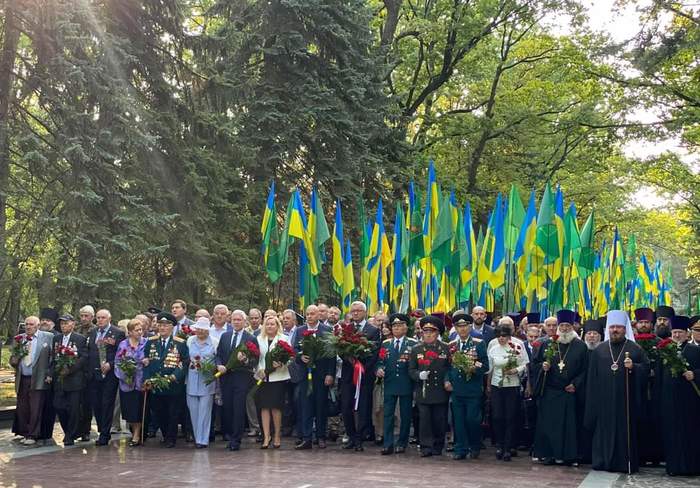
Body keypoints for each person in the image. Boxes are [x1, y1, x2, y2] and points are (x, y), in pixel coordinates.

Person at [584, 310, 649, 473]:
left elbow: (647, 369)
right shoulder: (599, 350)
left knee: (624, 432)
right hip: (603, 401)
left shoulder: (635, 349)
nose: (615, 330)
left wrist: (634, 367)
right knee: (603, 431)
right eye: (612, 327)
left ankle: (624, 462)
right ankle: (603, 461)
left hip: (626, 401)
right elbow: (592, 378)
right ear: (608, 329)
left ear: (625, 328)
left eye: (618, 327)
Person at [531, 310, 588, 465]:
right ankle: (549, 455)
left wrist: (575, 384)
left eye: (567, 325)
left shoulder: (580, 346)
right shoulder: (548, 343)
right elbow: (534, 364)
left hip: (568, 391)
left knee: (569, 427)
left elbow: (585, 370)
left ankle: (568, 456)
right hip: (550, 391)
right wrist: (542, 367)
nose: (563, 328)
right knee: (549, 425)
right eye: (561, 325)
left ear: (572, 327)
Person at [658, 315, 700, 475]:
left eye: (680, 332)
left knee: (690, 434)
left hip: (690, 401)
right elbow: (659, 378)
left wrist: (695, 374)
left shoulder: (695, 350)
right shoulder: (665, 351)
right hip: (669, 400)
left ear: (687, 333)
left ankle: (691, 467)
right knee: (672, 434)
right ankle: (673, 467)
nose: (677, 335)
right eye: (674, 332)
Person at [291, 304, 335, 450]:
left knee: (321, 406)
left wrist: (330, 374)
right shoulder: (299, 330)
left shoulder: (327, 330)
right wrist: (300, 357)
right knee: (305, 406)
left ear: (319, 315)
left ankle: (321, 437)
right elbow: (294, 350)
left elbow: (331, 355)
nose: (309, 317)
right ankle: (307, 437)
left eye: (312, 314)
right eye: (307, 314)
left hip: (321, 375)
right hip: (305, 375)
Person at [143, 312, 189, 448]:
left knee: (173, 413)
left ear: (172, 327)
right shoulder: (151, 342)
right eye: (160, 325)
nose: (162, 328)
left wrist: (175, 376)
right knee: (159, 412)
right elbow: (146, 361)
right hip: (156, 384)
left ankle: (171, 438)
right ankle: (164, 434)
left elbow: (184, 362)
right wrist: (147, 379)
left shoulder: (180, 343)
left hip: (173, 384)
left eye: (166, 326)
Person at [447, 313, 489, 460]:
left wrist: (474, 369)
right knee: (458, 420)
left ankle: (475, 445)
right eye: (459, 326)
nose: (462, 329)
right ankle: (461, 449)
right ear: (455, 328)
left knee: (472, 419)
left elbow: (485, 365)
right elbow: (447, 366)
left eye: (465, 326)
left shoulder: (478, 343)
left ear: (470, 327)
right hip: (457, 389)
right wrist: (447, 380)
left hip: (472, 389)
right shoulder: (452, 345)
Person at [340, 301, 381, 451]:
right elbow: (340, 347)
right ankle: (350, 435)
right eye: (353, 311)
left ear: (365, 312)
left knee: (363, 408)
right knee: (346, 406)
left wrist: (362, 366)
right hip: (347, 375)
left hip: (364, 375)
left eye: (358, 310)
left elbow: (374, 352)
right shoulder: (346, 329)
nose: (355, 313)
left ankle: (359, 438)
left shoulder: (373, 330)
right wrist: (349, 359)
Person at [409, 315, 451, 457]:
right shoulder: (416, 349)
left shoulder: (445, 348)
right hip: (424, 391)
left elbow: (449, 368)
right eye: (425, 332)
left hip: (440, 390)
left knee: (439, 420)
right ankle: (426, 446)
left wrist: (447, 380)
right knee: (425, 420)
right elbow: (411, 370)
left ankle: (438, 445)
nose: (428, 334)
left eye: (431, 332)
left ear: (437, 333)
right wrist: (419, 375)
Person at [215, 309, 257, 451]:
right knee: (228, 407)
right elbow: (219, 354)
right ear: (230, 321)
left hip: (242, 377)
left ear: (245, 322)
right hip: (226, 376)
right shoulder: (225, 336)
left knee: (238, 408)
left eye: (239, 320)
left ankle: (236, 439)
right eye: (234, 320)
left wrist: (245, 359)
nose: (236, 322)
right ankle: (229, 434)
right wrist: (218, 365)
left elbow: (254, 360)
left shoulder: (250, 338)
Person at [376, 313, 416, 455]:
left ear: (406, 327)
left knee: (405, 415)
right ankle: (388, 443)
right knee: (387, 415)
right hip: (390, 383)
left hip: (406, 383)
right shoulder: (386, 343)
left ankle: (402, 443)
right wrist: (379, 369)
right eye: (394, 326)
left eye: (400, 325)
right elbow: (380, 361)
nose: (397, 328)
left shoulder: (412, 343)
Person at [10, 316, 54, 445]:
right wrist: (14, 359)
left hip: (38, 378)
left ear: (38, 325)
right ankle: (24, 432)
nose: (28, 327)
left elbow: (53, 358)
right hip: (22, 378)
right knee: (22, 407)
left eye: (31, 324)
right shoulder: (19, 339)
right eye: (26, 324)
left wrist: (49, 374)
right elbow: (13, 359)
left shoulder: (47, 337)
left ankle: (33, 435)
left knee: (36, 407)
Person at [488, 325, 529, 461]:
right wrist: (488, 385)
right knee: (497, 416)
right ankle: (499, 444)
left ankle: (508, 447)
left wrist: (516, 370)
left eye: (504, 336)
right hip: (497, 385)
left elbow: (524, 364)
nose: (501, 338)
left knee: (510, 416)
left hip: (512, 385)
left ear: (509, 336)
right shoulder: (493, 348)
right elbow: (490, 369)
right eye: (499, 336)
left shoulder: (516, 347)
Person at [87, 309, 126, 446]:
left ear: (109, 318)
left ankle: (104, 434)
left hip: (109, 374)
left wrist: (111, 363)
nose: (100, 320)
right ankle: (101, 429)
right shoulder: (92, 333)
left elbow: (121, 354)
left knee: (107, 403)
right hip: (94, 374)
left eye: (103, 317)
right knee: (96, 404)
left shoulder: (118, 333)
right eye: (98, 318)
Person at [51, 314, 88, 446]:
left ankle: (70, 435)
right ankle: (68, 430)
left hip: (74, 379)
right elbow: (53, 357)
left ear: (72, 324)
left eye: (66, 323)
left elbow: (83, 358)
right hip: (60, 379)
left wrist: (70, 369)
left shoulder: (80, 339)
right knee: (59, 406)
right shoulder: (56, 339)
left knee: (73, 409)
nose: (63, 326)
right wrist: (52, 373)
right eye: (61, 324)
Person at [255, 315, 291, 449]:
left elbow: (290, 357)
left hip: (278, 377)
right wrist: (260, 370)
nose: (270, 326)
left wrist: (281, 363)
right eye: (268, 324)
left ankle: (276, 435)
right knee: (264, 407)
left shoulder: (284, 339)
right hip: (262, 378)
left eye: (272, 324)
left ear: (277, 326)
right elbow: (256, 358)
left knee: (276, 407)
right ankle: (266, 436)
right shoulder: (259, 339)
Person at [114, 318, 147, 447]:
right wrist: (124, 375)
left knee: (138, 410)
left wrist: (145, 362)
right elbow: (118, 362)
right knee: (129, 411)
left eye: (141, 330)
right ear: (130, 332)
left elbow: (149, 359)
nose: (140, 332)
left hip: (141, 382)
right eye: (137, 330)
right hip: (127, 382)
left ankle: (137, 434)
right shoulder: (123, 344)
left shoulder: (146, 343)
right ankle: (134, 432)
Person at [186, 317, 218, 448]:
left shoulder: (214, 342)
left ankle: (202, 440)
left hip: (207, 380)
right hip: (192, 379)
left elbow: (217, 360)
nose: (199, 331)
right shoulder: (190, 341)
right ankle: (196, 436)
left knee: (204, 412)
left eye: (202, 329)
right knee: (193, 410)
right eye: (198, 328)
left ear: (207, 330)